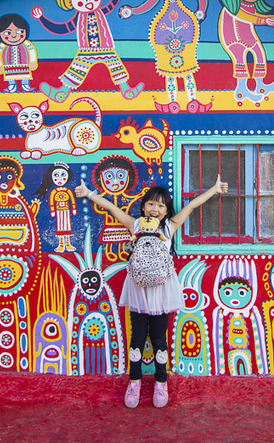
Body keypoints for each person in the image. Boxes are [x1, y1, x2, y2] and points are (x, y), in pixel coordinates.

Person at [75, 175, 228, 408]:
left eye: (160, 205)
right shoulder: (134, 224)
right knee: (136, 339)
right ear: (143, 206)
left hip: (161, 291)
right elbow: (112, 208)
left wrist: (214, 189)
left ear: (166, 210)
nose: (155, 208)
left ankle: (161, 382)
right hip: (137, 289)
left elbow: (192, 205)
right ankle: (134, 382)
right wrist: (89, 194)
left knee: (159, 339)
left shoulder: (171, 225)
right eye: (151, 203)